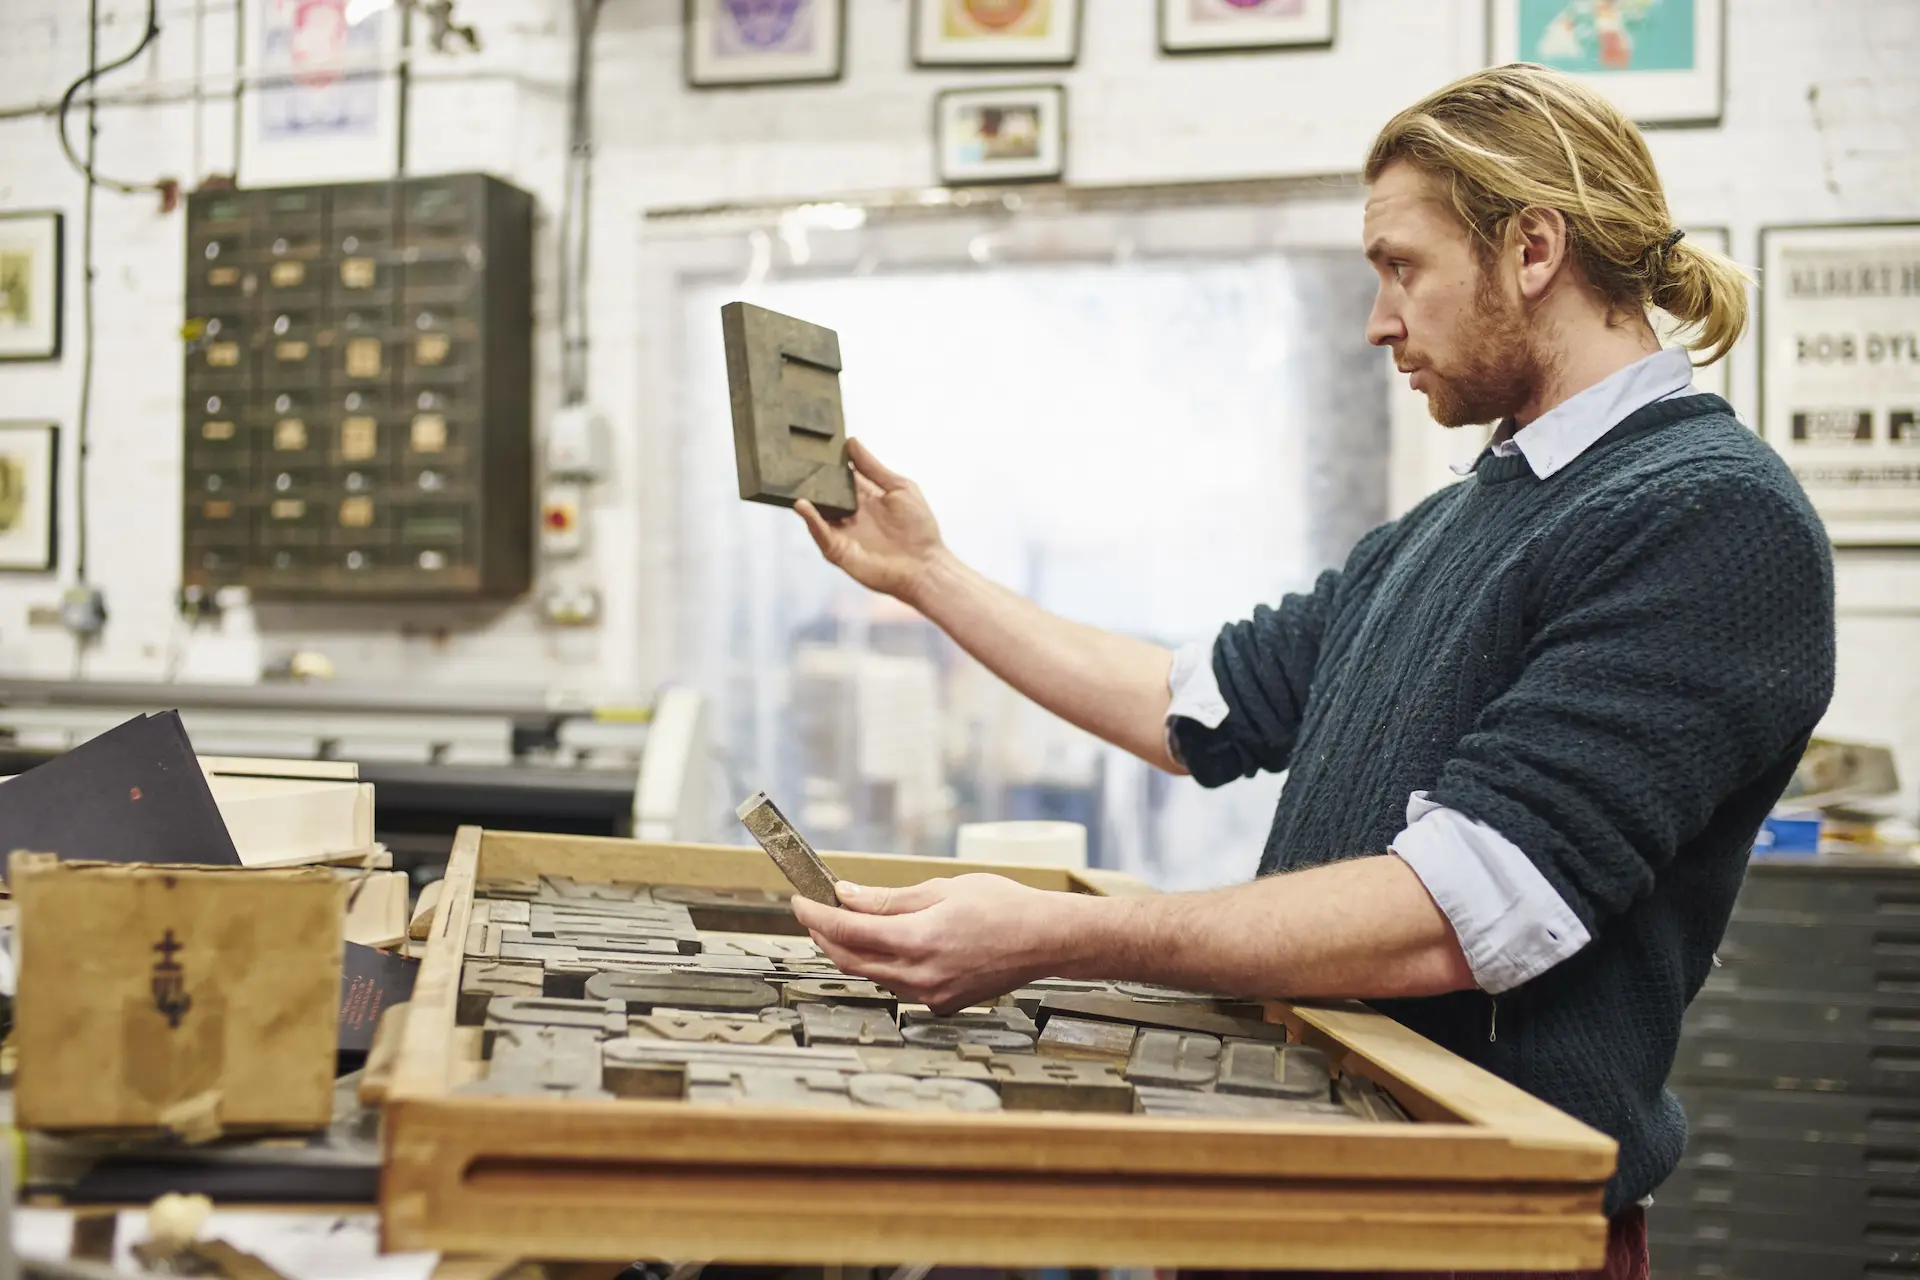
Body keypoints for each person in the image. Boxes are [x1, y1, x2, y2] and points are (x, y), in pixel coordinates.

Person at [787, 63, 1836, 1280]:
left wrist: (1061, 934)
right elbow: (1190, 704)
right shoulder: (1454, 525)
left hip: (1477, 1230)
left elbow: (1458, 912)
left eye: (1402, 267)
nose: (1380, 321)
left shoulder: (1708, 517)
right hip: (1331, 1185)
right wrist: (927, 573)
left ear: (1533, 248)